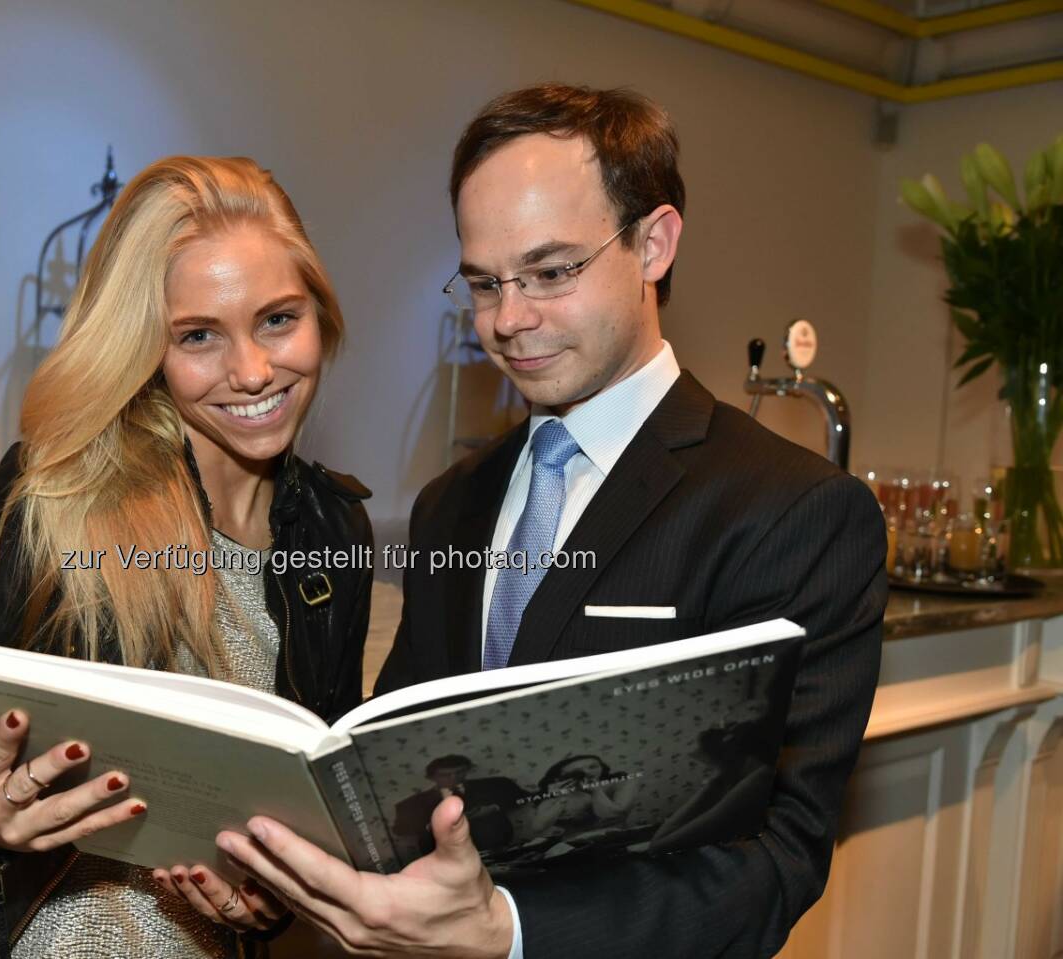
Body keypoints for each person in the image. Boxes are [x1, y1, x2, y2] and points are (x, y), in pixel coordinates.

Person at [196, 83, 886, 958]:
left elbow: (780, 858)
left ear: (654, 243)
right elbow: (401, 766)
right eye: (484, 283)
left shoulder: (794, 511)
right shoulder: (455, 501)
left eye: (552, 272)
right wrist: (277, 863)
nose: (509, 320)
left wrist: (512, 932)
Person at [0, 155, 374, 959]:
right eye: (199, 335)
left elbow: (318, 798)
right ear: (145, 349)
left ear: (322, 315)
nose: (252, 370)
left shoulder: (335, 530)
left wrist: (273, 901)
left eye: (279, 319)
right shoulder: (51, 506)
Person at [392, 755, 527, 857]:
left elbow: (523, 798)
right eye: (445, 775)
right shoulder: (412, 804)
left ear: (468, 770)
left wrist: (494, 808)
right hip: (445, 857)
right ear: (431, 777)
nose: (454, 778)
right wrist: (434, 823)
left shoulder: (496, 784)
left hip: (497, 849)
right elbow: (400, 829)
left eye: (459, 772)